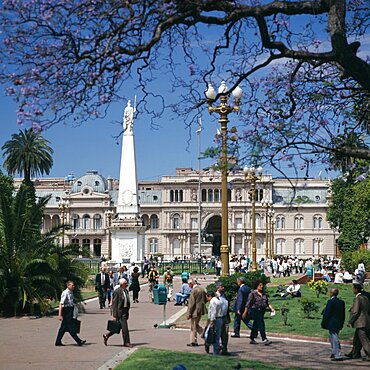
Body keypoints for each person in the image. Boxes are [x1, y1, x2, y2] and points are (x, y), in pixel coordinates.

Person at [243, 279, 275, 345]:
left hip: (262, 310)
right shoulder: (253, 294)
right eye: (260, 285)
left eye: (262, 285)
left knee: (255, 324)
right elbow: (248, 304)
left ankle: (252, 337)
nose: (261, 286)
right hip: (255, 310)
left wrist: (271, 308)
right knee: (261, 323)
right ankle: (264, 338)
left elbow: (267, 302)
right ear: (256, 286)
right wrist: (245, 312)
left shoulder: (263, 294)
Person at [103, 278, 133, 348]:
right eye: (126, 283)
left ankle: (107, 335)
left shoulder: (126, 291)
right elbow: (115, 304)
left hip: (125, 311)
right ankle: (127, 342)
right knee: (125, 328)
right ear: (122, 284)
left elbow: (127, 302)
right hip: (120, 312)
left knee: (118, 327)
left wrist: (127, 312)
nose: (127, 284)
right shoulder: (117, 292)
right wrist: (114, 315)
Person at [55, 281, 86, 346]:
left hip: (70, 310)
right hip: (66, 311)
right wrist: (60, 315)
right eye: (72, 285)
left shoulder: (71, 292)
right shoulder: (65, 293)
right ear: (68, 286)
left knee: (63, 328)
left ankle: (58, 341)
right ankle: (78, 341)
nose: (73, 286)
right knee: (70, 327)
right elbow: (61, 304)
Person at [345, 283, 370, 361]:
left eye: (353, 288)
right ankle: (354, 353)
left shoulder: (358, 298)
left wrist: (350, 321)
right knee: (356, 339)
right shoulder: (365, 297)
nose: (352, 289)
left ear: (356, 289)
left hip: (360, 322)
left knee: (364, 340)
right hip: (366, 321)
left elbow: (355, 312)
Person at [321, 287, 345, 361]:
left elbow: (327, 313)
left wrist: (323, 322)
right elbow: (343, 314)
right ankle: (334, 352)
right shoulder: (341, 302)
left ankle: (337, 354)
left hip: (332, 322)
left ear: (331, 293)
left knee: (334, 338)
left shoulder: (330, 302)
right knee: (332, 337)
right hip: (339, 321)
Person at [186, 279, 207, 347]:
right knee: (196, 325)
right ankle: (204, 335)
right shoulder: (202, 289)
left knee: (193, 327)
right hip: (201, 310)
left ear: (191, 284)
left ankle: (193, 341)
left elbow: (191, 303)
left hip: (195, 311)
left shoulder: (194, 291)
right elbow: (206, 299)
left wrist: (188, 313)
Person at [205, 291, 222, 355]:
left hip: (215, 320)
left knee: (209, 335)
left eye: (207, 297)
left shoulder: (213, 302)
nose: (207, 299)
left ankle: (216, 350)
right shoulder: (218, 301)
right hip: (220, 319)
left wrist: (212, 321)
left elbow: (213, 312)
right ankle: (217, 349)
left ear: (210, 296)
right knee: (216, 336)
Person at [216, 281, 230, 355]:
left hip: (225, 317)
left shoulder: (225, 296)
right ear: (218, 288)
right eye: (221, 287)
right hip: (218, 318)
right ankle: (217, 349)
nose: (223, 288)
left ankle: (225, 349)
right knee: (217, 334)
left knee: (225, 334)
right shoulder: (215, 296)